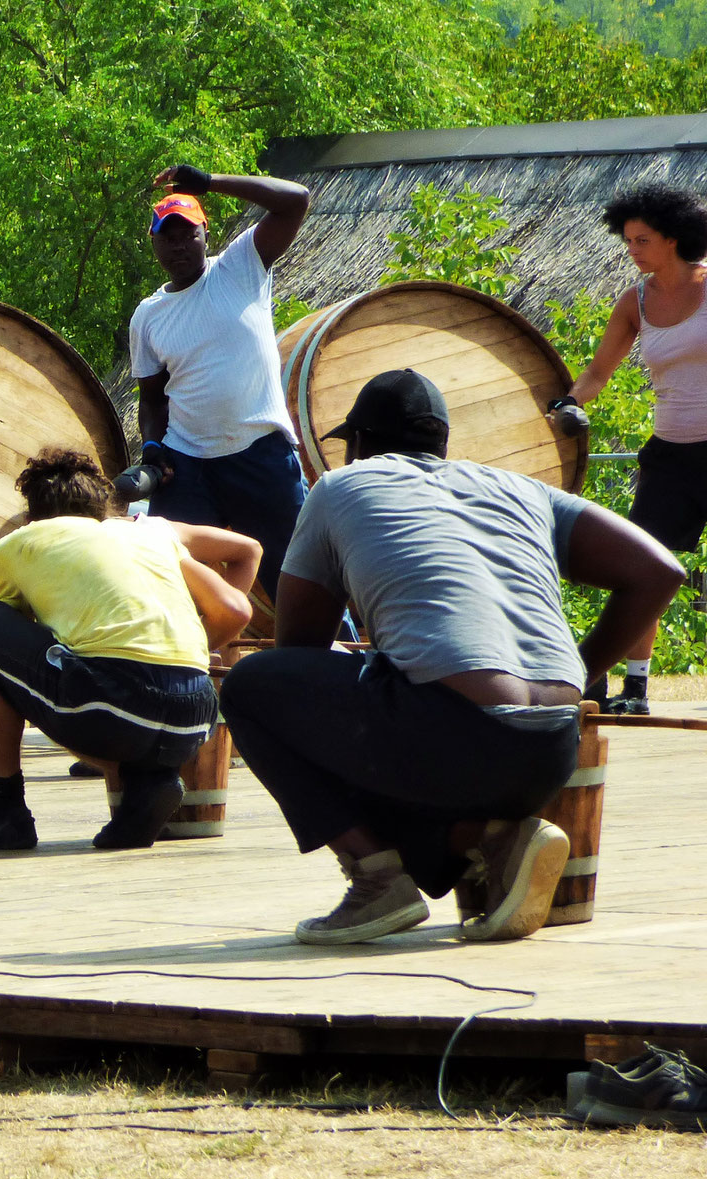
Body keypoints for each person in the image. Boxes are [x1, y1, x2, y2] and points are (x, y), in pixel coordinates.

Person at [221, 369, 682, 945]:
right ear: (442, 442)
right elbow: (660, 571)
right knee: (404, 694)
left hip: (456, 735)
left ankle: (375, 881)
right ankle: (489, 838)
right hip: (552, 749)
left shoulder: (343, 487)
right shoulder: (521, 489)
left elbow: (296, 655)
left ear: (358, 443)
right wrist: (581, 671)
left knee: (250, 688)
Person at [0, 450, 255, 854]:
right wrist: (192, 648)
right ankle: (148, 784)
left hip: (109, 709)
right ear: (102, 508)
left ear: (31, 515)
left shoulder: (18, 544)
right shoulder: (150, 533)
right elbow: (236, 609)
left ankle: (5, 812)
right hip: (195, 718)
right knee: (122, 684)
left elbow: (13, 652)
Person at [549, 182, 707, 715]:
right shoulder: (635, 301)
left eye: (641, 241)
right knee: (646, 567)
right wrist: (567, 402)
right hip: (670, 457)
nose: (631, 251)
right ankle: (635, 690)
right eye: (628, 240)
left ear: (673, 238)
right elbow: (598, 372)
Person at [128, 163, 313, 603]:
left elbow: (295, 200)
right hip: (186, 464)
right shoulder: (148, 316)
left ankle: (332, 659)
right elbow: (152, 400)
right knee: (176, 587)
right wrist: (152, 450)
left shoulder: (239, 267)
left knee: (297, 579)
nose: (178, 246)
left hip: (260, 454)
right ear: (153, 243)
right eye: (166, 237)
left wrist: (210, 183)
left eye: (187, 234)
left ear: (205, 234)